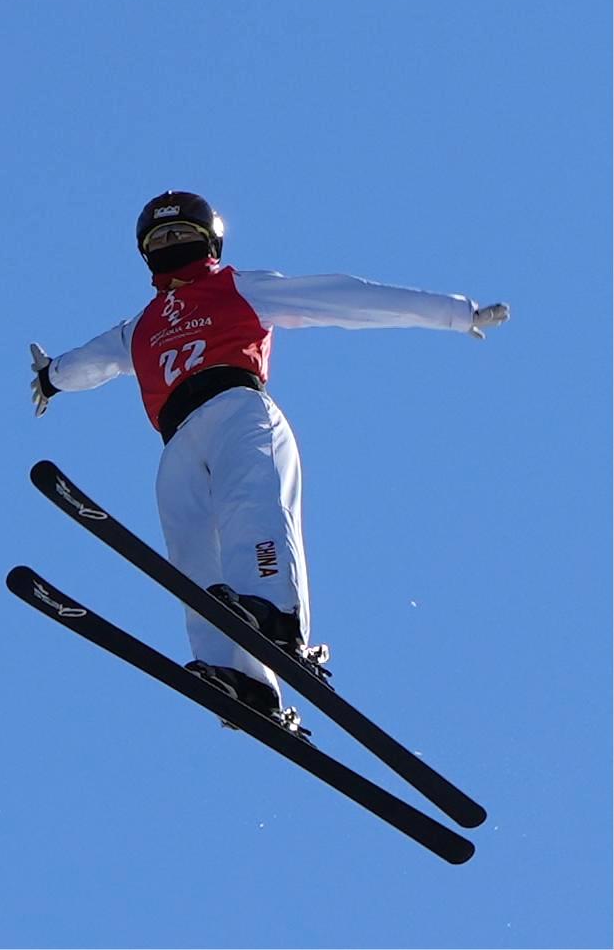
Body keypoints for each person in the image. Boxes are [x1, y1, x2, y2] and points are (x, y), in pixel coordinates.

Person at [30, 190, 509, 732]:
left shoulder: (238, 287)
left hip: (238, 410)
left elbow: (343, 298)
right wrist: (54, 376)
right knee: (193, 550)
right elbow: (94, 359)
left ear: (208, 240)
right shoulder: (138, 327)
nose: (170, 243)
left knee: (252, 509)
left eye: (180, 233)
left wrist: (452, 312)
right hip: (176, 439)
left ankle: (274, 616)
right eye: (159, 238)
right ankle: (237, 675)